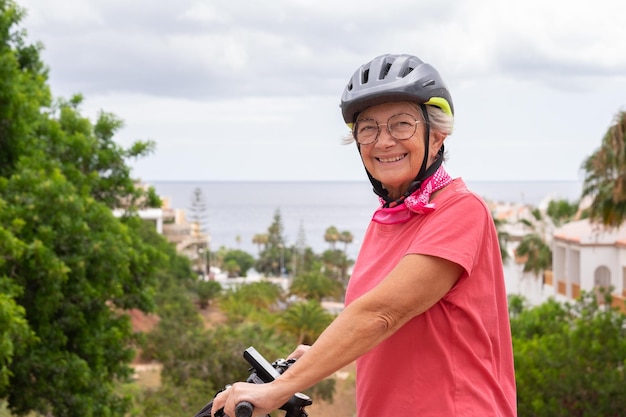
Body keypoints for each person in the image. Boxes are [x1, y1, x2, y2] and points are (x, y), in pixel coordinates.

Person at [212, 53, 517, 417]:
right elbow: (387, 326)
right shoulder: (386, 220)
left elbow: (381, 313)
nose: (383, 141)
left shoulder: (460, 211)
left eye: (401, 124)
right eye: (368, 128)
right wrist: (316, 357)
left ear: (437, 137)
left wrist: (280, 389)